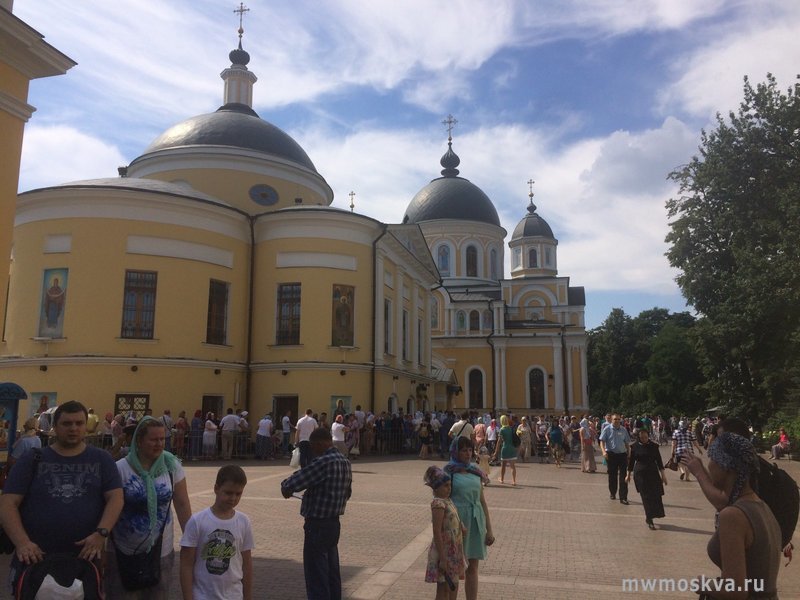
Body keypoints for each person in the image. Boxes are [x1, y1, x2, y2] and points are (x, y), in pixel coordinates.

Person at [0, 400, 123, 592]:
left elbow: (115, 498)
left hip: (84, 559)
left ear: (86, 427)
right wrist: (22, 543)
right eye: (67, 423)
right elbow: (8, 503)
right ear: (55, 427)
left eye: (79, 423)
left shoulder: (101, 459)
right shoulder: (33, 459)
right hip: (36, 558)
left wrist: (101, 533)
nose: (73, 428)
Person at [108, 417, 193, 598]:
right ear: (139, 440)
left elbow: (183, 503)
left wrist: (191, 537)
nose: (159, 444)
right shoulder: (120, 469)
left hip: (160, 550)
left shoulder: (172, 466)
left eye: (162, 439)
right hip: (122, 551)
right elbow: (109, 507)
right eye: (153, 439)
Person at [693, 432, 781, 599]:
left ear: (726, 466)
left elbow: (735, 591)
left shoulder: (733, 516)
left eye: (712, 459)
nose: (709, 465)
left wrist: (705, 584)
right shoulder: (761, 506)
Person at [281, 428, 352, 600]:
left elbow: (294, 482)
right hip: (334, 522)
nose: (313, 450)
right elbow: (347, 493)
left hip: (317, 524)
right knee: (331, 571)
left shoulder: (323, 462)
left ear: (320, 443)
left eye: (313, 446)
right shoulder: (345, 461)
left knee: (316, 573)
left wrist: (286, 487)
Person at [180, 465, 254, 600]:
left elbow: (247, 564)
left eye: (238, 494)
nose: (233, 498)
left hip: (234, 595)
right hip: (202, 595)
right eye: (228, 493)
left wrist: (247, 596)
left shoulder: (244, 522)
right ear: (216, 488)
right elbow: (186, 564)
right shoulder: (197, 521)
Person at [444, 436, 494, 600]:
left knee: (472, 567)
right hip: (456, 524)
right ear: (455, 451)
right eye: (463, 450)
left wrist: (489, 530)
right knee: (456, 567)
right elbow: (443, 500)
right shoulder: (448, 471)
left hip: (475, 521)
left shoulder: (475, 470)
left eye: (470, 450)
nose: (467, 453)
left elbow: (482, 501)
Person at [423, 466, 466, 600]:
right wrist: (442, 558)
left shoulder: (447, 501)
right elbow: (437, 530)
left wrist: (461, 526)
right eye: (445, 486)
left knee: (453, 584)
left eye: (450, 485)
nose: (449, 488)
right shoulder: (438, 504)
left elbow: (454, 517)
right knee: (443, 588)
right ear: (436, 488)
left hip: (454, 550)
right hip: (445, 551)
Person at [626, 428, 668, 529]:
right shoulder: (634, 447)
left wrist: (663, 475)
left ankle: (653, 514)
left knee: (656, 495)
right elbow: (631, 462)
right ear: (638, 437)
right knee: (645, 497)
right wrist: (628, 475)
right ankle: (649, 519)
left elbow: (659, 461)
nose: (644, 439)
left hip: (653, 473)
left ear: (648, 436)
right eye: (641, 437)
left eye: (646, 437)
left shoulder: (654, 446)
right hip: (640, 474)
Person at [599, 413, 631, 504]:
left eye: (618, 419)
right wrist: (603, 452)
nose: (617, 421)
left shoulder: (623, 429)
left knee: (623, 476)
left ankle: (623, 497)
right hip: (611, 455)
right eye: (615, 419)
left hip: (622, 455)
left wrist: (629, 454)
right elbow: (602, 441)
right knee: (612, 476)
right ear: (611, 420)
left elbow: (627, 443)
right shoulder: (607, 429)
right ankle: (613, 492)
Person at [492, 415, 517, 485]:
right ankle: (514, 481)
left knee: (503, 466)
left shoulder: (502, 430)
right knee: (512, 466)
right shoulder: (511, 428)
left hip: (505, 448)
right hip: (512, 448)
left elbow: (499, 442)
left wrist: (496, 452)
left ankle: (502, 479)